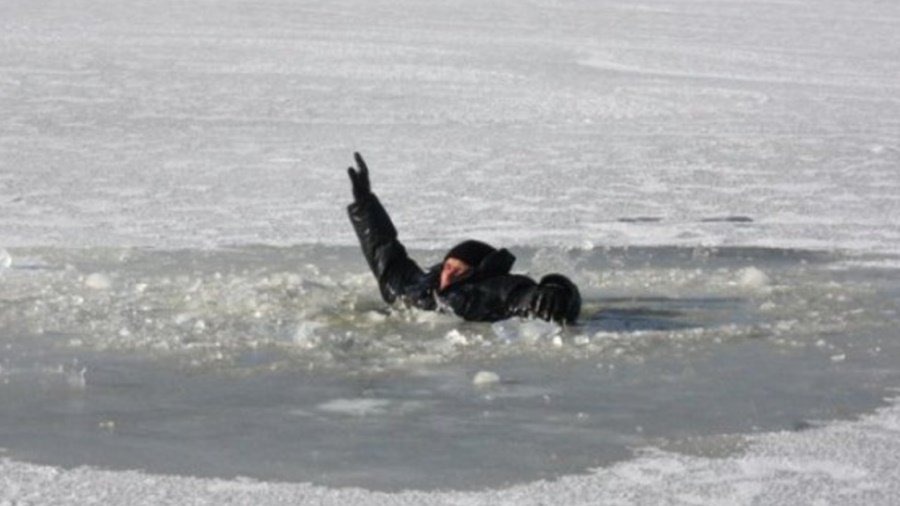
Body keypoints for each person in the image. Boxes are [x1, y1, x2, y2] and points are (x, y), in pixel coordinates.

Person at [346, 152, 581, 324]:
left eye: (460, 270)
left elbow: (530, 296)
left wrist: (556, 290)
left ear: (477, 272)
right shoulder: (419, 287)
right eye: (448, 266)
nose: (449, 274)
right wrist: (365, 203)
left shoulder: (496, 289)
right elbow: (385, 251)